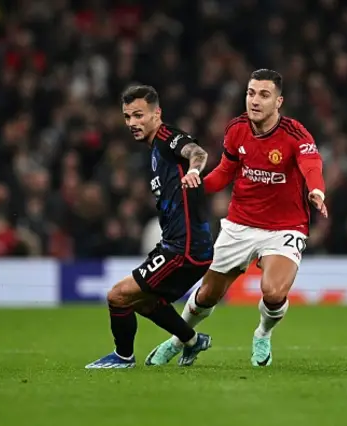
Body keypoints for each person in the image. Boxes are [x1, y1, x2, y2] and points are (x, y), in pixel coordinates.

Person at [146, 69, 328, 367]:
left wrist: (316, 191)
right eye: (251, 93)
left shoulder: (296, 134)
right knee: (207, 294)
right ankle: (179, 339)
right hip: (239, 224)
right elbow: (225, 172)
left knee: (273, 291)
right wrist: (198, 187)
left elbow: (311, 165)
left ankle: (263, 334)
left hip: (285, 226)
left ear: (278, 102)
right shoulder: (236, 129)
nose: (255, 100)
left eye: (264, 95)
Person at [85, 85, 214, 368]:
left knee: (118, 296)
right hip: (179, 244)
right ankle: (192, 341)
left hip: (184, 247)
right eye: (127, 117)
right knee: (143, 301)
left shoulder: (168, 137)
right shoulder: (154, 150)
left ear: (157, 114)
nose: (132, 123)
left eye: (139, 115)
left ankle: (123, 357)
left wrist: (194, 170)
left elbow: (197, 152)